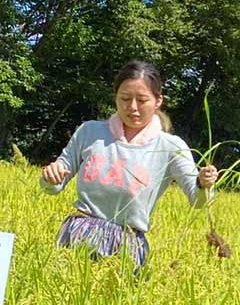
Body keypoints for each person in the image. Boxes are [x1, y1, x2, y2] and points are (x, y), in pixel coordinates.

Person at [40, 61, 218, 269]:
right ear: (115, 97)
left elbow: (199, 202)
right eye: (125, 99)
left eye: (142, 100)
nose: (132, 107)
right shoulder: (89, 132)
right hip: (78, 235)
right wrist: (50, 177)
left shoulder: (170, 147)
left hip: (126, 245)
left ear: (158, 100)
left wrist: (203, 183)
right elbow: (53, 185)